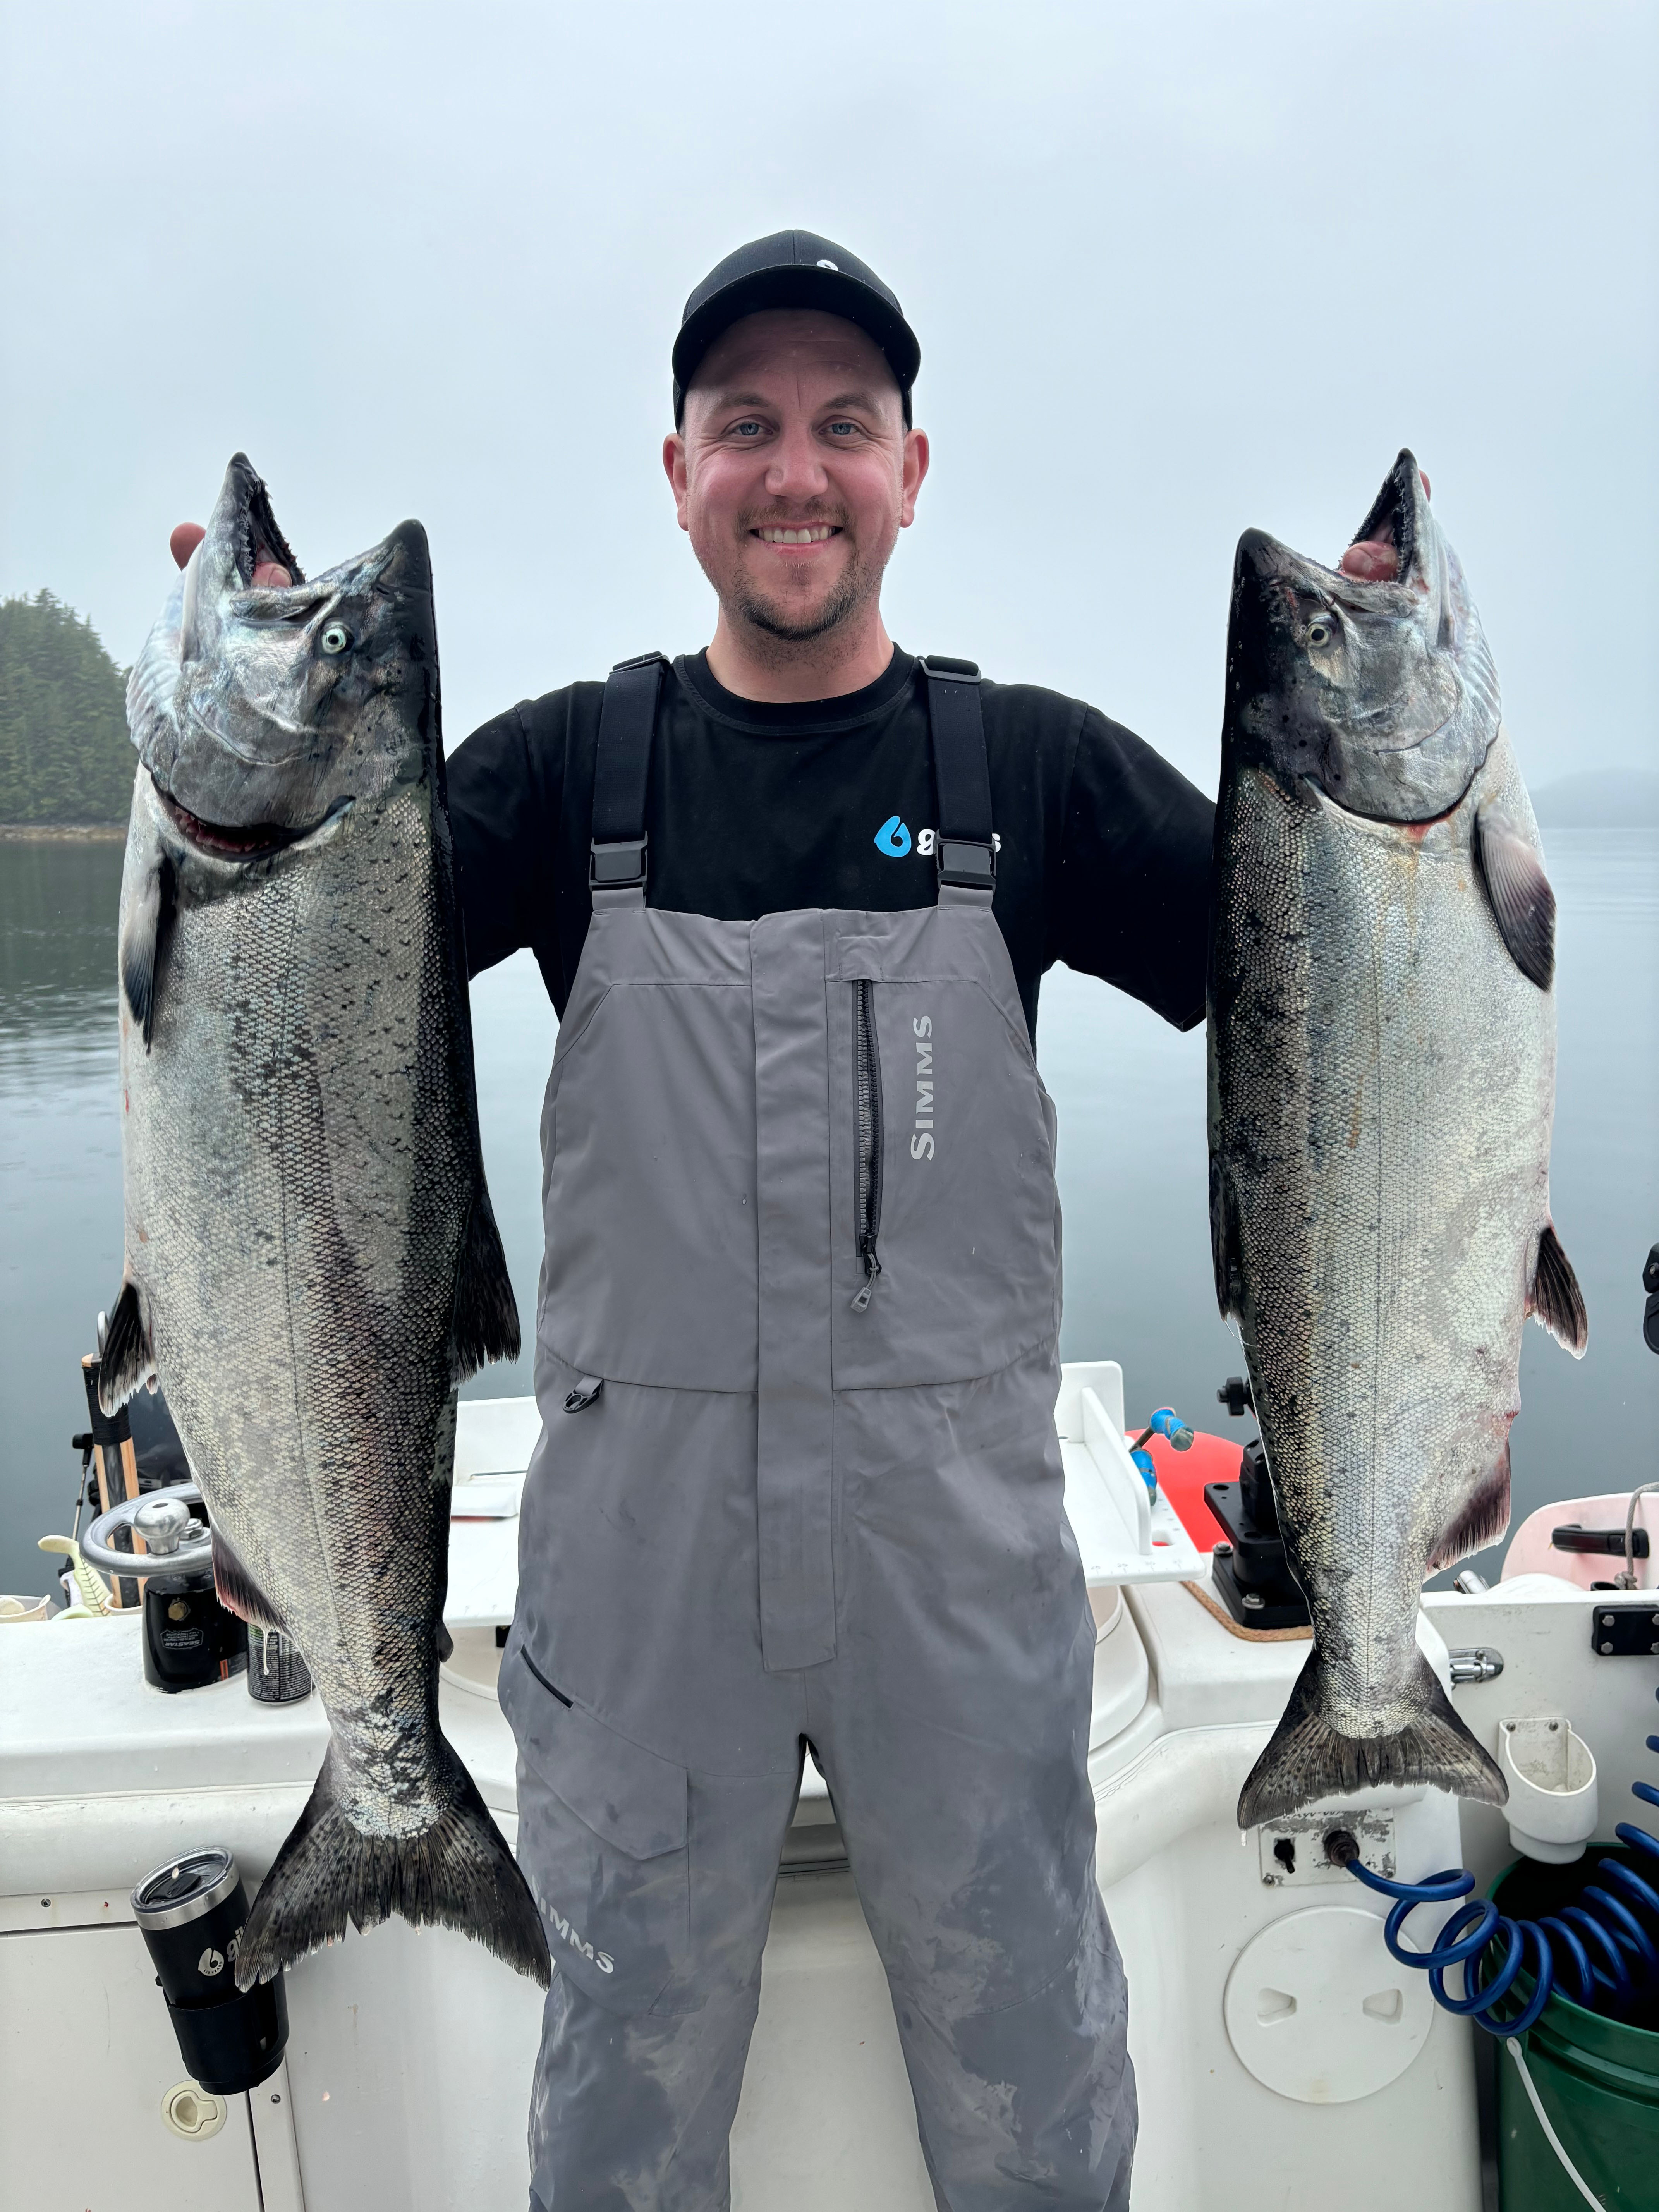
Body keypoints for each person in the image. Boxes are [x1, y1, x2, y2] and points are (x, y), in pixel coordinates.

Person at [170, 230, 1227, 2211]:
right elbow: (292, 984)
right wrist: (249, 733)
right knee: (624, 2110)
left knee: (1036, 2090)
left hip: (958, 1581)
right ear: (679, 473)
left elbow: (1341, 1001)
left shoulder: (1041, 777)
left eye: (845, 424)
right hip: (638, 1581)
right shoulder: (573, 771)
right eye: (747, 425)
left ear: (916, 468)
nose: (795, 470)